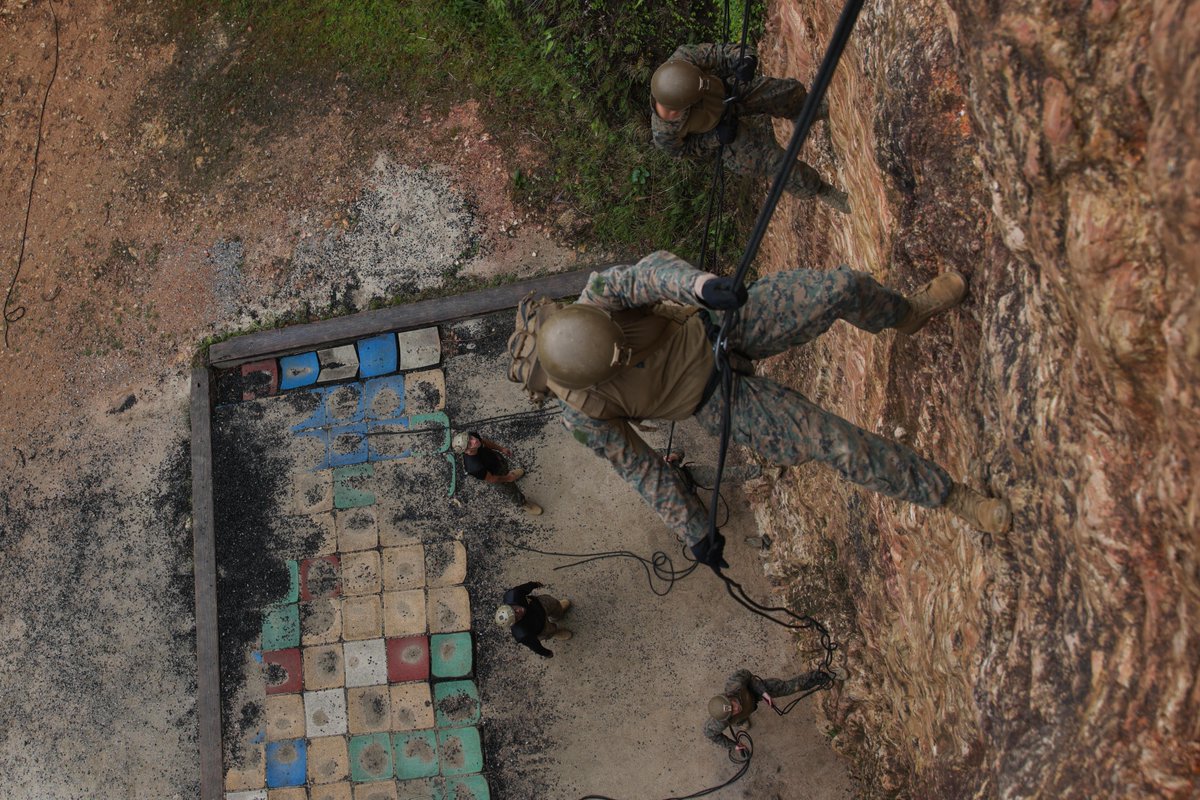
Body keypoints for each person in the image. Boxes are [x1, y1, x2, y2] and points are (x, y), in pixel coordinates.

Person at [507, 250, 1012, 573]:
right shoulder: (583, 417)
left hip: (720, 325)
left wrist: (703, 286)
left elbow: (653, 276)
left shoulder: (597, 298)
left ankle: (910, 314)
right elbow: (641, 471)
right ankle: (955, 498)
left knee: (839, 289)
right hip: (716, 402)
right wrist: (694, 532)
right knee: (831, 441)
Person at [650, 42, 849, 213]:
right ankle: (821, 189)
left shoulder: (683, 60)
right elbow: (686, 151)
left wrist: (744, 59)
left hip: (728, 93)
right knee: (774, 163)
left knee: (782, 92)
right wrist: (716, 138)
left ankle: (808, 111)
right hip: (721, 132)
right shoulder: (664, 132)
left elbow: (722, 52)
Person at [705, 667, 845, 754]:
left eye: (733, 704)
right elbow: (709, 733)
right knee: (740, 719)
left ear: (729, 696)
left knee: (789, 687)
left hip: (754, 691)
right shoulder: (720, 722)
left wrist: (763, 692)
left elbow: (747, 674)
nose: (736, 708)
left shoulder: (735, 684)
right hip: (745, 712)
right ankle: (741, 720)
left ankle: (823, 675)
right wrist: (733, 746)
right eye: (732, 712)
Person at [451, 430, 543, 515]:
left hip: (497, 460)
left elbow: (485, 442)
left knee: (506, 469)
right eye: (469, 444)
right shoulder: (474, 468)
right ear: (467, 451)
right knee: (511, 490)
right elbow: (492, 479)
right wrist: (508, 478)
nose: (474, 441)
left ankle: (510, 474)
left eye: (470, 438)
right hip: (495, 475)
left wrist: (501, 449)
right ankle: (522, 503)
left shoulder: (474, 438)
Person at [495, 581, 573, 658]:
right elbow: (534, 645)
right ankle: (556, 632)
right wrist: (546, 653)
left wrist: (534, 584)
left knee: (554, 604)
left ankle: (558, 613)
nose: (518, 611)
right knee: (549, 631)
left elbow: (524, 588)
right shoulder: (522, 634)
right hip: (541, 628)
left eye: (514, 609)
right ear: (515, 622)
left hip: (540, 604)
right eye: (516, 616)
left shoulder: (513, 595)